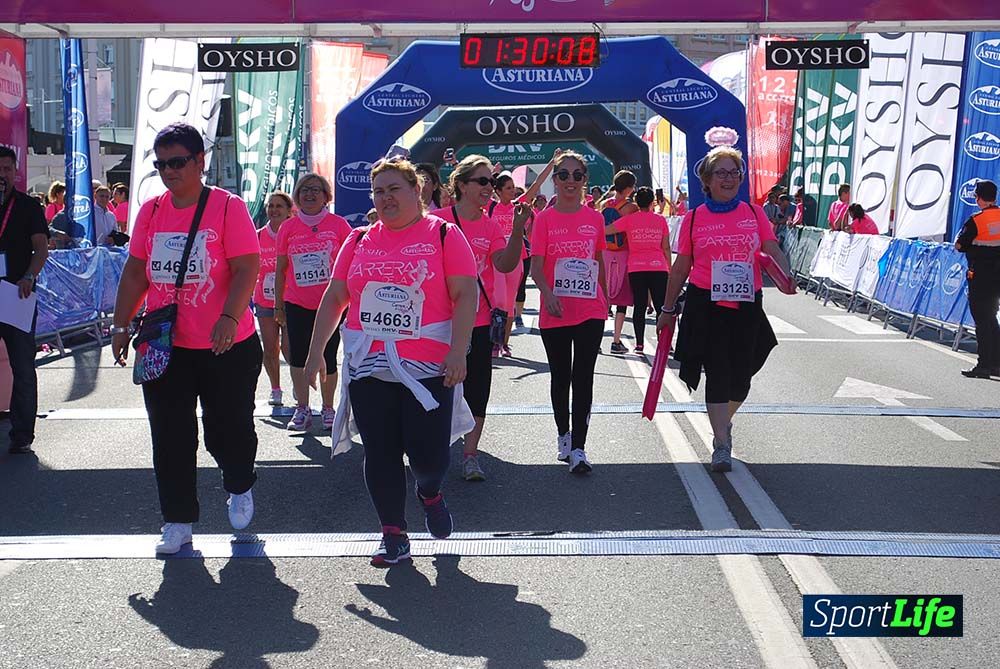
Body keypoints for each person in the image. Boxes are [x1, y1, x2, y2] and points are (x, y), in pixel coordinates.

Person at [304, 158, 478, 566]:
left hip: (429, 367)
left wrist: (458, 350)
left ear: (417, 190)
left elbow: (465, 293)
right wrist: (316, 353)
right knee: (380, 452)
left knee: (429, 458)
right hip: (370, 364)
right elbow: (336, 297)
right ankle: (393, 534)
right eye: (378, 191)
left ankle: (429, 493)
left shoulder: (443, 234)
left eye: (394, 189)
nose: (386, 197)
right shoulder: (359, 239)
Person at [110, 122, 262, 554]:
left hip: (225, 344)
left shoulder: (227, 207)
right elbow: (136, 271)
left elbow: (247, 266)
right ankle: (177, 521)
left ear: (200, 161)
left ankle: (239, 483)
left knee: (227, 429)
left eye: (177, 162)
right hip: (165, 344)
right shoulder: (152, 211)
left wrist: (230, 316)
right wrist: (121, 325)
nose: (169, 171)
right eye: (161, 164)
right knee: (170, 434)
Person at [656, 140, 791, 473]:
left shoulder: (753, 213)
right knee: (717, 372)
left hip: (747, 304)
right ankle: (721, 443)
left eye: (734, 173)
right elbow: (680, 267)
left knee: (742, 378)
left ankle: (722, 422)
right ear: (707, 180)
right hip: (707, 303)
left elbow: (772, 247)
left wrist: (786, 273)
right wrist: (667, 309)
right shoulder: (693, 219)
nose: (729, 179)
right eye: (721, 173)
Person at [432, 156, 527, 481]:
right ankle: (432, 451)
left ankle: (470, 456)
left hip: (479, 320)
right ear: (461, 185)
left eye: (492, 182)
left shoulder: (490, 225)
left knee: (477, 389)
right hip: (439, 323)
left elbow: (504, 264)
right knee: (437, 388)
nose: (490, 188)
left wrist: (517, 230)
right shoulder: (437, 221)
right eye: (483, 181)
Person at [531, 151, 608, 474]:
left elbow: (599, 261)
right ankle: (563, 434)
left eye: (577, 175)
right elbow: (535, 267)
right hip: (556, 310)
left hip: (590, 309)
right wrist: (547, 294)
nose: (570, 181)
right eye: (564, 175)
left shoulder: (595, 218)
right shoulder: (544, 219)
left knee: (584, 377)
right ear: (555, 180)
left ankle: (579, 447)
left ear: (584, 180)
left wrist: (606, 297)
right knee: (561, 376)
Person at [274, 174, 353, 432]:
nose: (309, 194)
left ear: (326, 195)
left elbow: (351, 266)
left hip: (332, 303)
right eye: (304, 190)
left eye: (316, 190)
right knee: (298, 356)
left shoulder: (339, 225)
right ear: (297, 196)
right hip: (297, 302)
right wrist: (278, 305)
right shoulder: (288, 227)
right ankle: (302, 408)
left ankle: (328, 408)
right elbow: (281, 269)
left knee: (328, 355)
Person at [0, 147, 50, 455]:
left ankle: (22, 434)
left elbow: (41, 249)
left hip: (16, 294)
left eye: (7, 169)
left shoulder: (28, 206)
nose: (2, 175)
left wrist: (29, 276)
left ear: (15, 171)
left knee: (22, 364)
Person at [488, 160, 556, 354]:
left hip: (516, 260)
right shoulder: (490, 207)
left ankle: (504, 342)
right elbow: (473, 186)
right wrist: (491, 172)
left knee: (510, 302)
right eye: (508, 188)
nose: (513, 191)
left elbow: (536, 184)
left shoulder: (518, 205)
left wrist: (552, 162)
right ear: (498, 191)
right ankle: (494, 341)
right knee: (498, 300)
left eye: (513, 188)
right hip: (495, 259)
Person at [605, 186, 671, 348]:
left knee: (639, 306)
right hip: (658, 267)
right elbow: (666, 247)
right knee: (661, 306)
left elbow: (606, 230)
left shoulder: (630, 219)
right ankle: (664, 344)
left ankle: (639, 344)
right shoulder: (660, 220)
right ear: (652, 202)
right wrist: (669, 268)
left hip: (636, 268)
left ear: (636, 202)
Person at [955, 180, 1000, 379]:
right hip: (998, 277)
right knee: (991, 319)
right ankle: (996, 364)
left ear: (979, 198)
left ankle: (984, 365)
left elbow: (959, 245)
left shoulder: (976, 220)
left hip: (981, 276)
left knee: (982, 321)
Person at [255, 192, 294, 406]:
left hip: (291, 300)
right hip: (265, 300)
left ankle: (298, 382)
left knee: (289, 348)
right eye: (271, 206)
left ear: (289, 211)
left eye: (279, 206)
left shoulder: (295, 234)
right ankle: (275, 388)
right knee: (270, 348)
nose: (274, 210)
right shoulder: (258, 236)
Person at [599, 171, 638, 354]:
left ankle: (597, 340)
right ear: (629, 188)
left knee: (602, 297)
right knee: (621, 299)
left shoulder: (604, 204)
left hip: (605, 253)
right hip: (623, 254)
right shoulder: (631, 208)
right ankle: (616, 340)